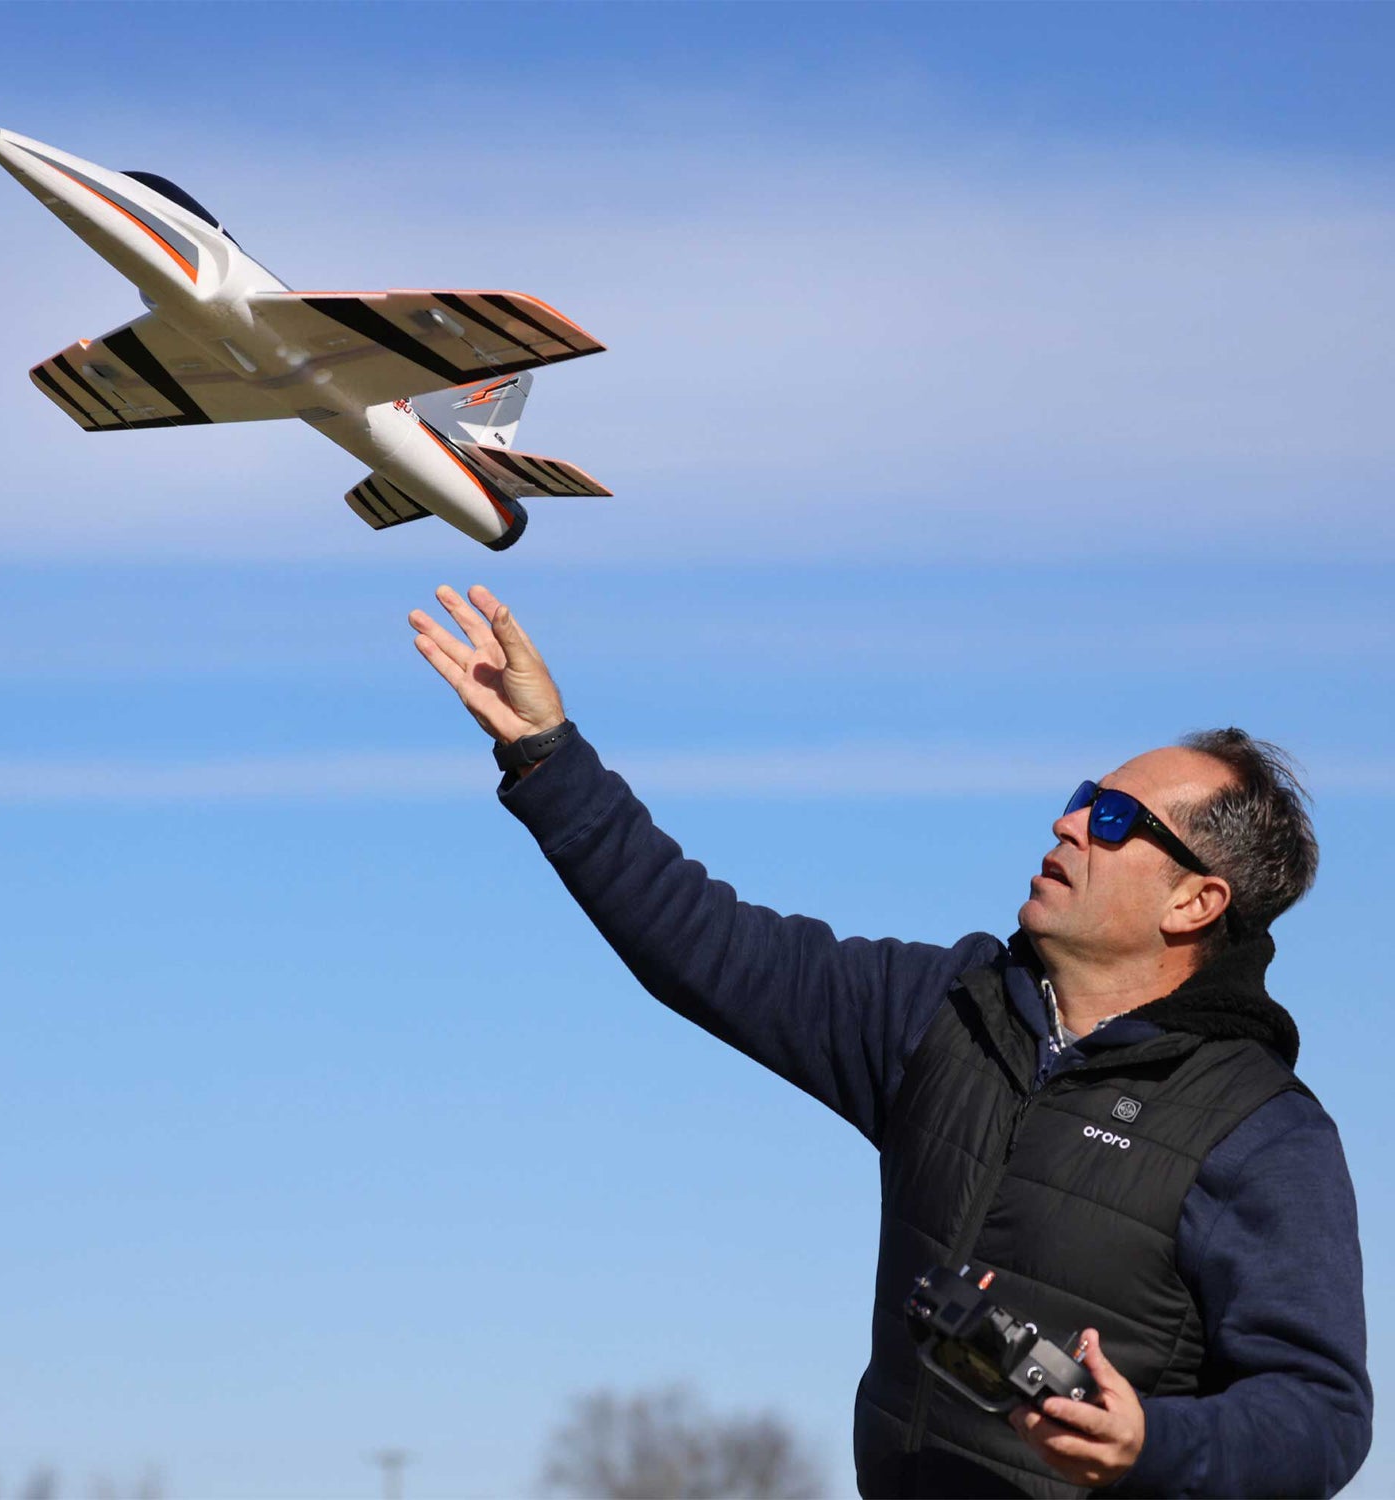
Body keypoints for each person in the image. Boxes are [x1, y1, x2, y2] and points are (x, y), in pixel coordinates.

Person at [409, 583, 1373, 1499]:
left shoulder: (1261, 1131)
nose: (1068, 820)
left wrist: (1149, 1444)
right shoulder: (945, 1011)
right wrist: (546, 754)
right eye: (1086, 794)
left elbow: (1322, 1413)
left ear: (1195, 902)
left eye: (1114, 819)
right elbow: (703, 943)